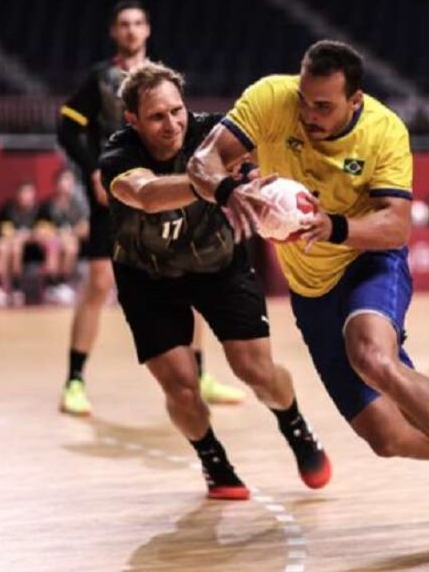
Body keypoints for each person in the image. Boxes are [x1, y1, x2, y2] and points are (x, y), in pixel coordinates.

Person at [188, 40, 429, 540]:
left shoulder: (384, 129)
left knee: (371, 355)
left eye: (324, 106)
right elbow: (202, 163)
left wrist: (333, 227)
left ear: (355, 101)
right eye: (305, 100)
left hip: (367, 259)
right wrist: (228, 189)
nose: (308, 114)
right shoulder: (270, 98)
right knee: (386, 436)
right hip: (310, 289)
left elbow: (396, 226)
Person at [100, 60, 330, 498]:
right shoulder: (118, 155)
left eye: (177, 111)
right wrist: (216, 185)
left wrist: (266, 183)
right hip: (146, 276)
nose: (172, 124)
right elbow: (146, 196)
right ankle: (213, 460)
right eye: (156, 116)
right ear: (133, 120)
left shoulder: (212, 135)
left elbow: (265, 155)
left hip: (217, 263)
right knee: (181, 384)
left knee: (256, 370)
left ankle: (295, 423)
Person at [57, 0, 240, 415]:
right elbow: (68, 128)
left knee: (192, 276)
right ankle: (74, 380)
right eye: (124, 24)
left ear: (148, 30)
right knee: (100, 283)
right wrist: (91, 170)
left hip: (166, 189)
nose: (132, 30)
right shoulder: (101, 79)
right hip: (118, 191)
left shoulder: (160, 80)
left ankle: (199, 374)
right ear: (114, 32)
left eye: (138, 23)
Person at [36, 168, 88, 305]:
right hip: (52, 241)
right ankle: (52, 284)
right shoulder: (47, 206)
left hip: (72, 240)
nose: (67, 184)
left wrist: (70, 234)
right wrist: (58, 235)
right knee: (54, 246)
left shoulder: (78, 206)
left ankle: (63, 283)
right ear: (57, 183)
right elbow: (41, 228)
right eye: (64, 180)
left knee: (70, 246)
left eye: (70, 180)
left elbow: (85, 227)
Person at [0, 181, 43, 305]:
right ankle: (3, 286)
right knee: (10, 246)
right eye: (23, 192)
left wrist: (27, 237)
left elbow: (43, 231)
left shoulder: (39, 211)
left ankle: (55, 283)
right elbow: (6, 232)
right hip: (11, 247)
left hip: (34, 249)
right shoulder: (7, 210)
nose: (25, 196)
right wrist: (20, 237)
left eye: (29, 192)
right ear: (17, 194)